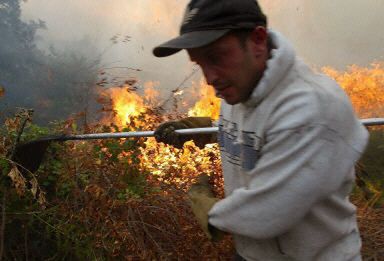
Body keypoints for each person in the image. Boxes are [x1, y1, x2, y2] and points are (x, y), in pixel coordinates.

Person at [152, 0, 369, 260]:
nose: (209, 78)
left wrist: (210, 212)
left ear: (257, 40)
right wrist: (205, 132)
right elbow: (256, 134)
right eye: (199, 64)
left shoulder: (313, 107)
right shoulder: (240, 86)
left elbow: (268, 212)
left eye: (216, 57)